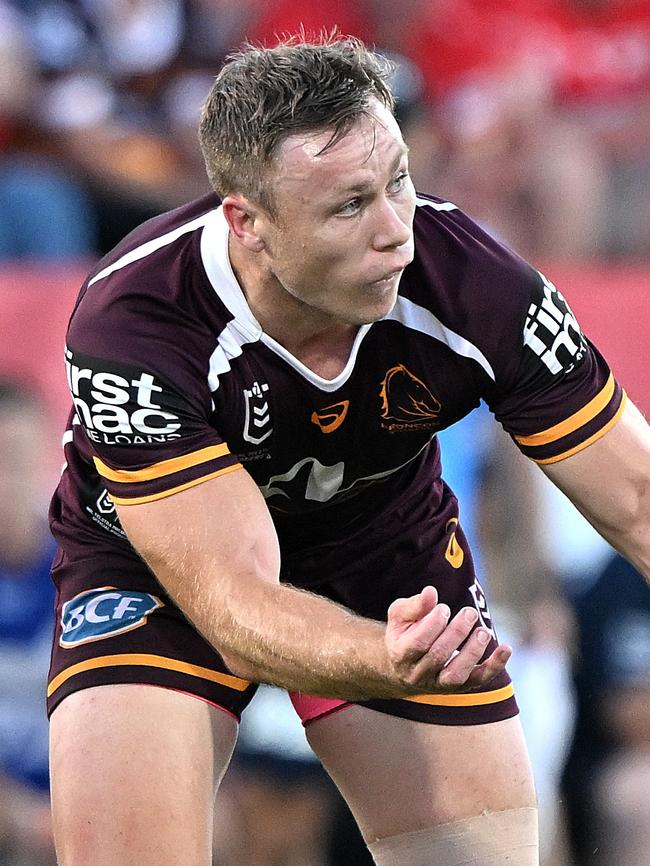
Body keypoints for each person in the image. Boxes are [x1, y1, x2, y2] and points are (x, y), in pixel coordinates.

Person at [46, 36, 650, 866]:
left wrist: (396, 645)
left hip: (381, 547)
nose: (397, 232)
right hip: (160, 567)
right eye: (348, 206)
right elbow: (232, 601)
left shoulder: (475, 282)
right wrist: (382, 658)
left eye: (398, 180)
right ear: (247, 223)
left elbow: (639, 499)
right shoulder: (135, 323)